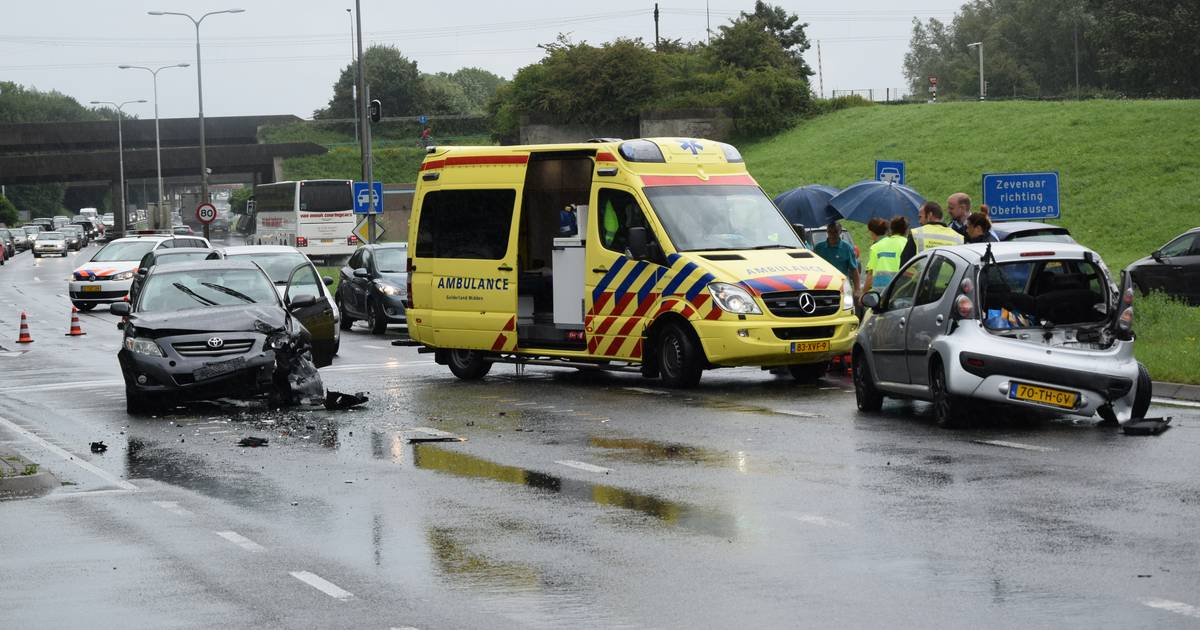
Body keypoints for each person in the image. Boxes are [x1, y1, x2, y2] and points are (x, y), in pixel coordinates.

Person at [901, 200, 963, 265]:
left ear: (930, 215)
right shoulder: (959, 238)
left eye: (920, 217)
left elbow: (905, 263)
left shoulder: (916, 234)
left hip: (922, 274)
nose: (919, 221)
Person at [864, 216, 908, 294]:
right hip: (901, 291)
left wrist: (863, 294)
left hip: (880, 294)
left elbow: (870, 275)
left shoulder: (876, 247)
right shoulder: (908, 244)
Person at [813, 220, 859, 293]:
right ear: (827, 232)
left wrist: (857, 290)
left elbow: (854, 270)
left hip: (842, 286)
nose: (832, 234)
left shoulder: (847, 248)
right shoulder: (818, 248)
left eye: (835, 232)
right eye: (830, 232)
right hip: (823, 286)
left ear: (840, 232)